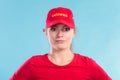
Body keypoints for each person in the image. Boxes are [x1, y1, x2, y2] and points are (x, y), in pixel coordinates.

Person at [9, 7, 112, 80]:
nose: (60, 35)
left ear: (74, 32)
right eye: (54, 29)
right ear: (46, 32)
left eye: (66, 29)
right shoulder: (33, 64)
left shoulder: (87, 65)